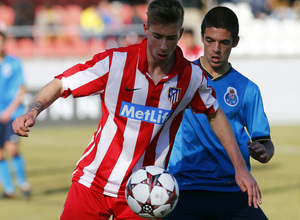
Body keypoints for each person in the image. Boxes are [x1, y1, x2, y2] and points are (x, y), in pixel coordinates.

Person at [13, 1, 261, 219]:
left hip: (145, 194)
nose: (163, 46)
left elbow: (214, 113)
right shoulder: (115, 63)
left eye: (171, 37)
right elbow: (61, 84)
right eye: (157, 36)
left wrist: (240, 167)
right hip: (92, 183)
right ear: (146, 29)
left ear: (181, 34)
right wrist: (33, 111)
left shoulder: (191, 77)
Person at [165, 6, 274, 220]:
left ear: (235, 42)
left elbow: (266, 143)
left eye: (224, 42)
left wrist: (264, 151)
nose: (216, 48)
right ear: (202, 37)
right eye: (210, 40)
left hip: (232, 187)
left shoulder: (247, 89)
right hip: (184, 188)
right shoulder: (179, 79)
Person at [0, 31, 30, 199]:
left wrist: (9, 111)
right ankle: (9, 189)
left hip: (12, 115)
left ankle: (23, 183)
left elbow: (22, 88)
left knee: (12, 149)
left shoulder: (14, 63)